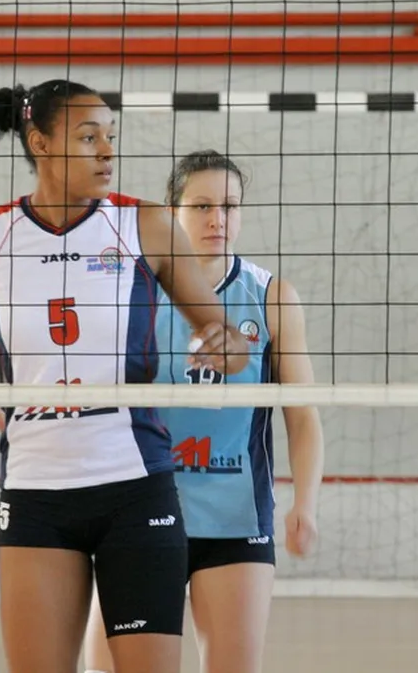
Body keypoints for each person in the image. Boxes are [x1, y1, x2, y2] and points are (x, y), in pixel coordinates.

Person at [0, 80, 252, 673]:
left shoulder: (145, 224)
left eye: (110, 137)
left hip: (135, 487)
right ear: (39, 143)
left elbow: (228, 342)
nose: (107, 151)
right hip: (37, 493)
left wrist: (225, 346)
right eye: (88, 137)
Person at [82, 150, 325, 673]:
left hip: (234, 517)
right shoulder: (134, 293)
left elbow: (302, 415)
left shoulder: (270, 297)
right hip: (140, 512)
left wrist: (306, 503)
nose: (218, 219)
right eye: (202, 206)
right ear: (172, 212)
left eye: (230, 206)